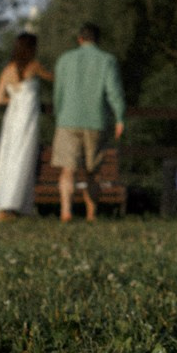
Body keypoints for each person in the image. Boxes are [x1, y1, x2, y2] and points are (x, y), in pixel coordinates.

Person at [51, 22, 126, 222]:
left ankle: (66, 210)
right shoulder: (107, 60)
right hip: (96, 120)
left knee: (68, 169)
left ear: (80, 39)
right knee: (93, 172)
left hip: (68, 119)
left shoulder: (65, 60)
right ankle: (91, 214)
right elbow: (114, 92)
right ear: (97, 39)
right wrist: (119, 117)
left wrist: (59, 114)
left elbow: (58, 92)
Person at [0, 32, 54, 221]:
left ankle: (5, 203)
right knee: (23, 158)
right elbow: (53, 78)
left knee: (9, 158)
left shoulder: (8, 70)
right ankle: (13, 203)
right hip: (27, 120)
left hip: (12, 119)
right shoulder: (34, 66)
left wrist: (15, 99)